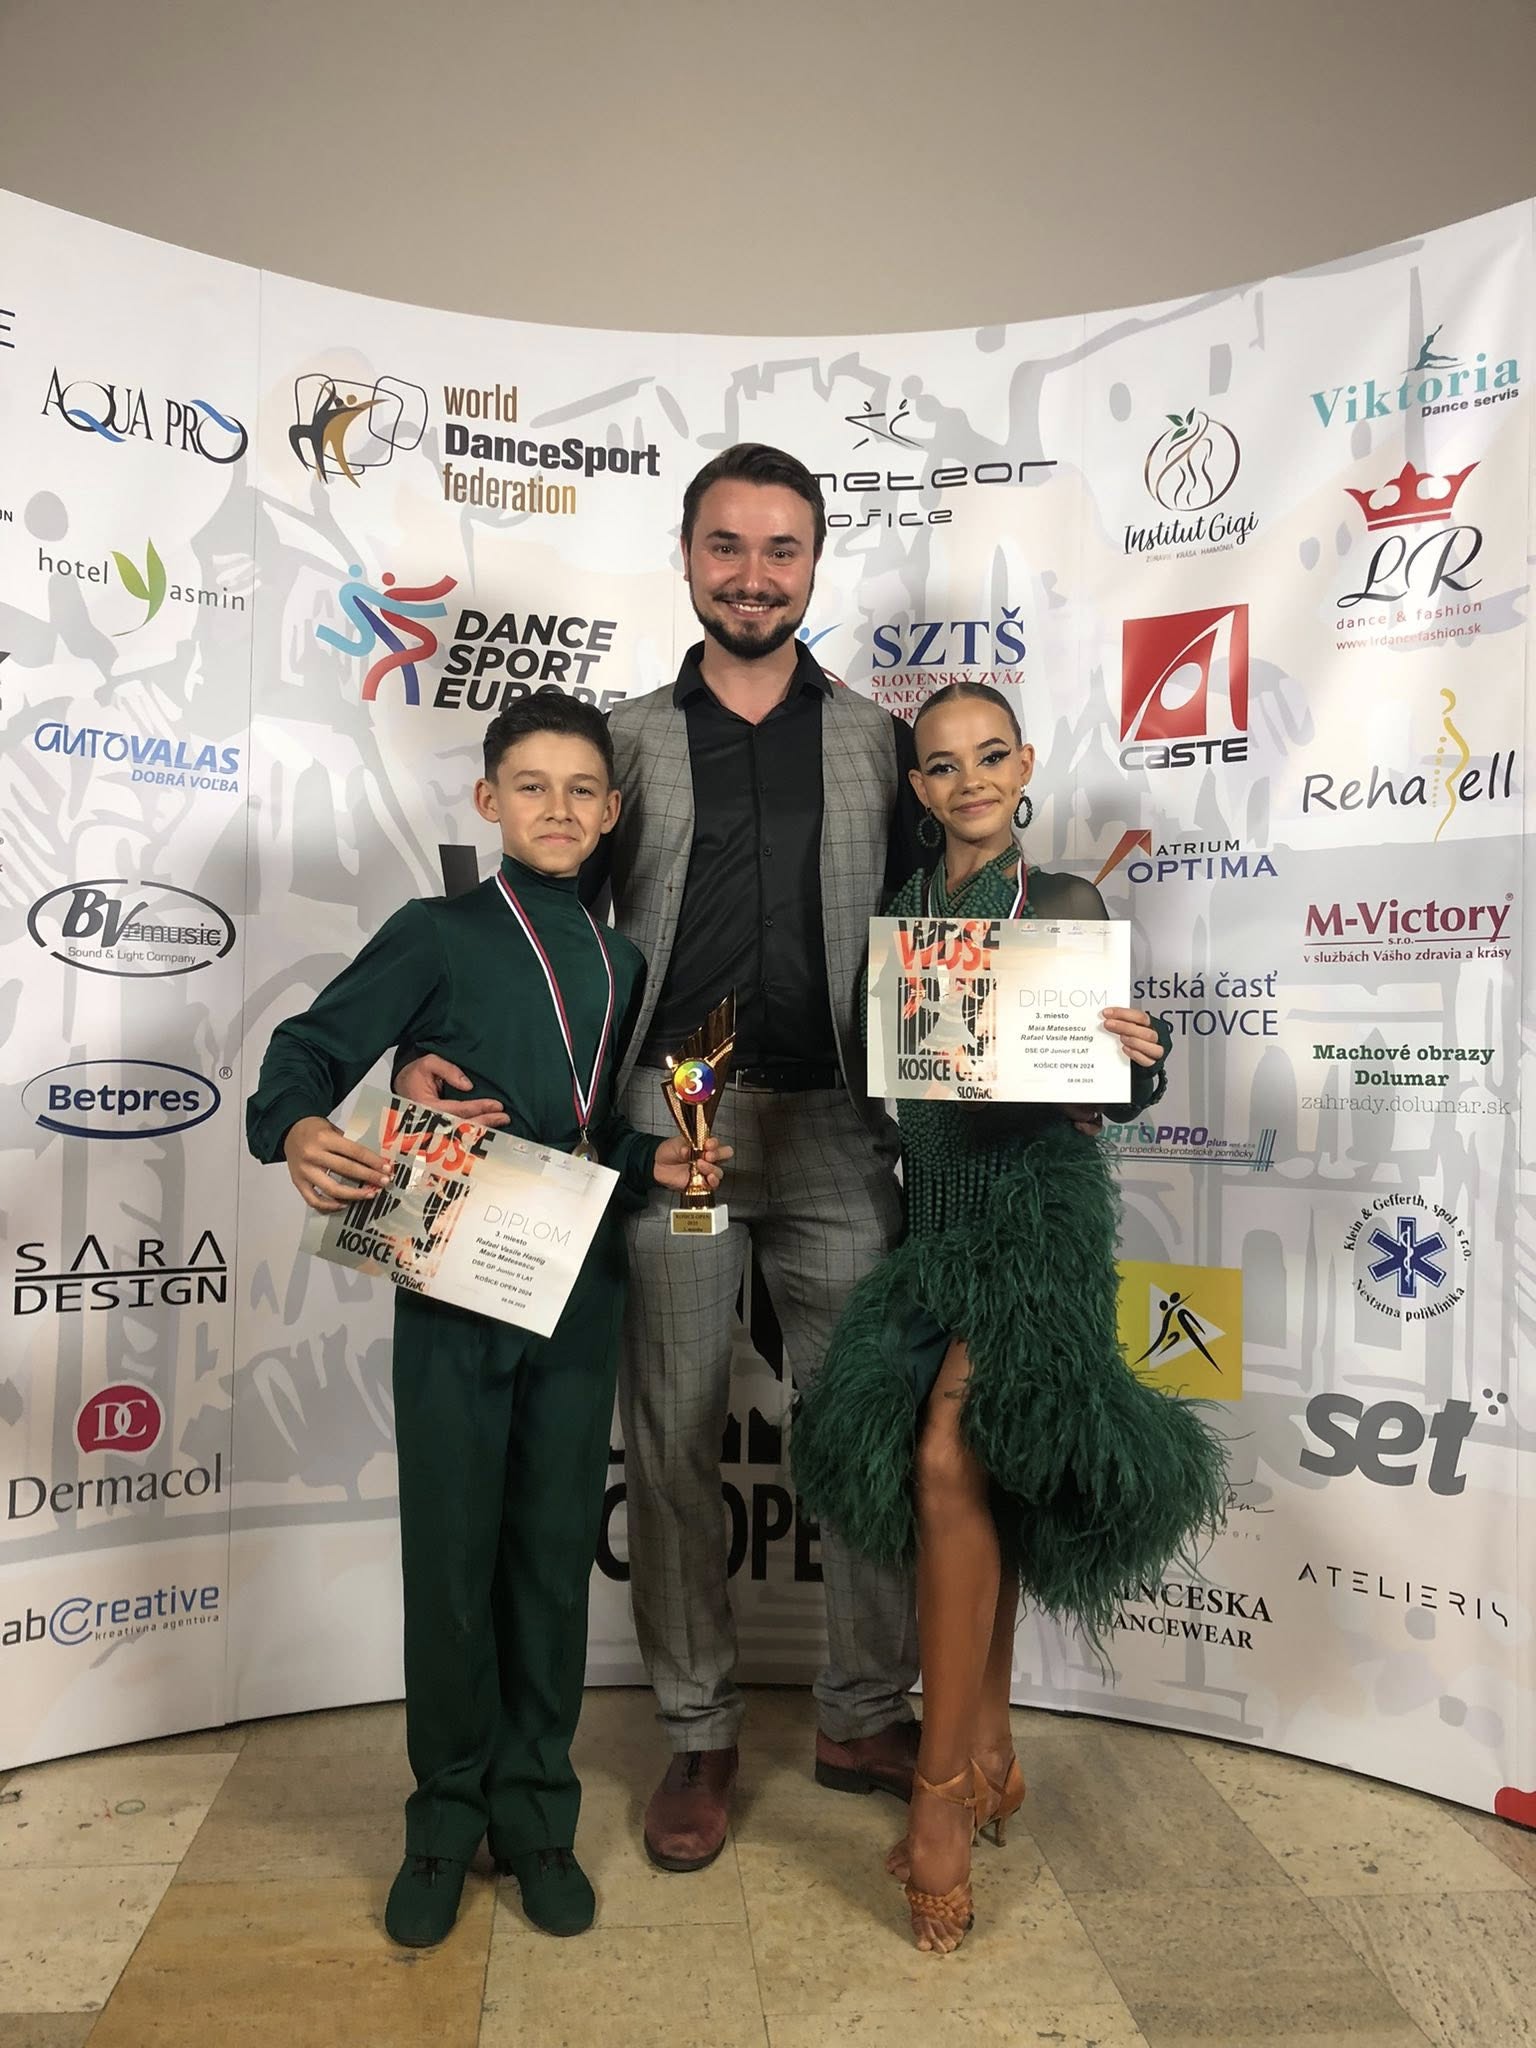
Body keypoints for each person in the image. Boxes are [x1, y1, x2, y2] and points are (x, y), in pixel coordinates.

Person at [398, 443, 929, 1874]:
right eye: (727, 547)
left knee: (863, 1433)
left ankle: (863, 1713)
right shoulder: (623, 741)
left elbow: (940, 928)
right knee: (676, 1438)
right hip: (662, 1134)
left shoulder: (879, 742)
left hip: (834, 1132)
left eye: (781, 549)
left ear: (814, 563)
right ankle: (697, 1730)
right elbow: (529, 923)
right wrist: (428, 1046)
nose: (754, 575)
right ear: (687, 557)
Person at [245, 695, 727, 1948]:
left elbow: (582, 1132)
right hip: (453, 1273)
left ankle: (537, 1816)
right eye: (532, 786)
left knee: (550, 1556)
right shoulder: (437, 931)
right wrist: (298, 1126)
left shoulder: (621, 961)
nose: (558, 808)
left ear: (611, 812)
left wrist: (655, 1161)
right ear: (488, 801)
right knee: (452, 1557)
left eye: (581, 789)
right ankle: (441, 1821)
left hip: (573, 1277)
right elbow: (307, 1048)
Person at [791, 679, 1228, 1954]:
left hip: (1034, 1221)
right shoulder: (902, 915)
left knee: (947, 1459)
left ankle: (938, 1789)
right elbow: (899, 1084)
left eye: (991, 756)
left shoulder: (1065, 903)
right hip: (932, 1221)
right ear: (917, 785)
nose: (968, 779)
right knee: (973, 1474)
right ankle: (990, 1738)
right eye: (942, 763)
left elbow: (1112, 1080)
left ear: (1025, 766)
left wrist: (1139, 1061)